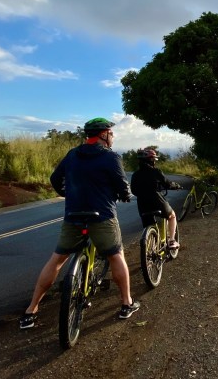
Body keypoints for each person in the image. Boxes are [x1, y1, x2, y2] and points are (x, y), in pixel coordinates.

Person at [19, 117, 139, 329]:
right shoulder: (111, 157)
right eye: (111, 133)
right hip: (102, 216)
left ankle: (31, 310)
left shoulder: (72, 154)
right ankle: (126, 303)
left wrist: (67, 194)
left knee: (57, 259)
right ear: (103, 135)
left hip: (73, 215)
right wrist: (125, 195)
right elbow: (122, 185)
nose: (112, 136)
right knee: (115, 256)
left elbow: (55, 179)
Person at [130, 148, 181, 249]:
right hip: (157, 201)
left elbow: (134, 191)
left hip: (142, 204)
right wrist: (177, 186)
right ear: (152, 160)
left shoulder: (135, 175)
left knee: (149, 225)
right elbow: (167, 184)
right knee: (172, 216)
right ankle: (172, 241)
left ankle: (150, 248)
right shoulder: (156, 171)